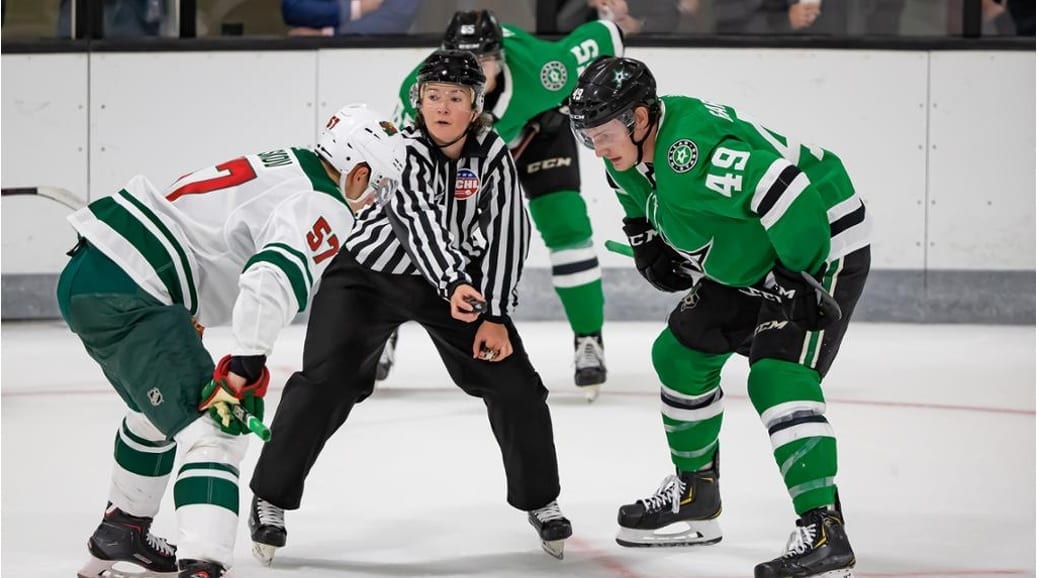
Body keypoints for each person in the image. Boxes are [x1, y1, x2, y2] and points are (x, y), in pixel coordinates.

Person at [248, 49, 573, 566]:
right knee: (326, 383)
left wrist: (494, 315)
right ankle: (270, 498)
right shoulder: (400, 150)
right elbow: (416, 220)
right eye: (433, 96)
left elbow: (510, 230)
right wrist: (453, 282)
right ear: (418, 101)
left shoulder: (492, 153)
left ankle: (542, 501)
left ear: (476, 105)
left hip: (453, 288)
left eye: (456, 98)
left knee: (516, 386)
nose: (442, 107)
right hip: (367, 278)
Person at [60, 104, 405, 578]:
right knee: (217, 428)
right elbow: (270, 277)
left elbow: (195, 213)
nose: (373, 198)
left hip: (95, 270)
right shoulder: (325, 202)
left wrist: (182, 307)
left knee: (155, 413)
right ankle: (203, 565)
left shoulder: (287, 160)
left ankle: (123, 529)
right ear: (358, 171)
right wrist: (245, 366)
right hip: (134, 289)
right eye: (377, 184)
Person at [568, 56, 871, 577]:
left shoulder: (691, 153)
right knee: (679, 354)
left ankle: (824, 529)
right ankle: (697, 494)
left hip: (816, 239)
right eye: (586, 136)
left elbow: (786, 188)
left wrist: (798, 275)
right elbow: (629, 186)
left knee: (778, 374)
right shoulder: (626, 145)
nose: (596, 147)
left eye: (603, 135)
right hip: (755, 248)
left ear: (639, 119)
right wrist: (643, 235)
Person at [392, 9, 624, 400]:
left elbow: (606, 35)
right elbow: (398, 168)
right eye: (461, 60)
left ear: (500, 59)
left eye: (481, 61)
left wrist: (572, 102)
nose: (470, 71)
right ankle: (384, 331)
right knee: (411, 232)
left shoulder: (547, 70)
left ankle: (589, 339)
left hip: (536, 138)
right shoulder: (418, 92)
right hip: (462, 152)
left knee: (566, 222)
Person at [282, 0, 419, 35]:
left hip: (369, 64)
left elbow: (397, 19)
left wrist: (325, 33)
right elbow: (294, 9)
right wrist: (358, 7)